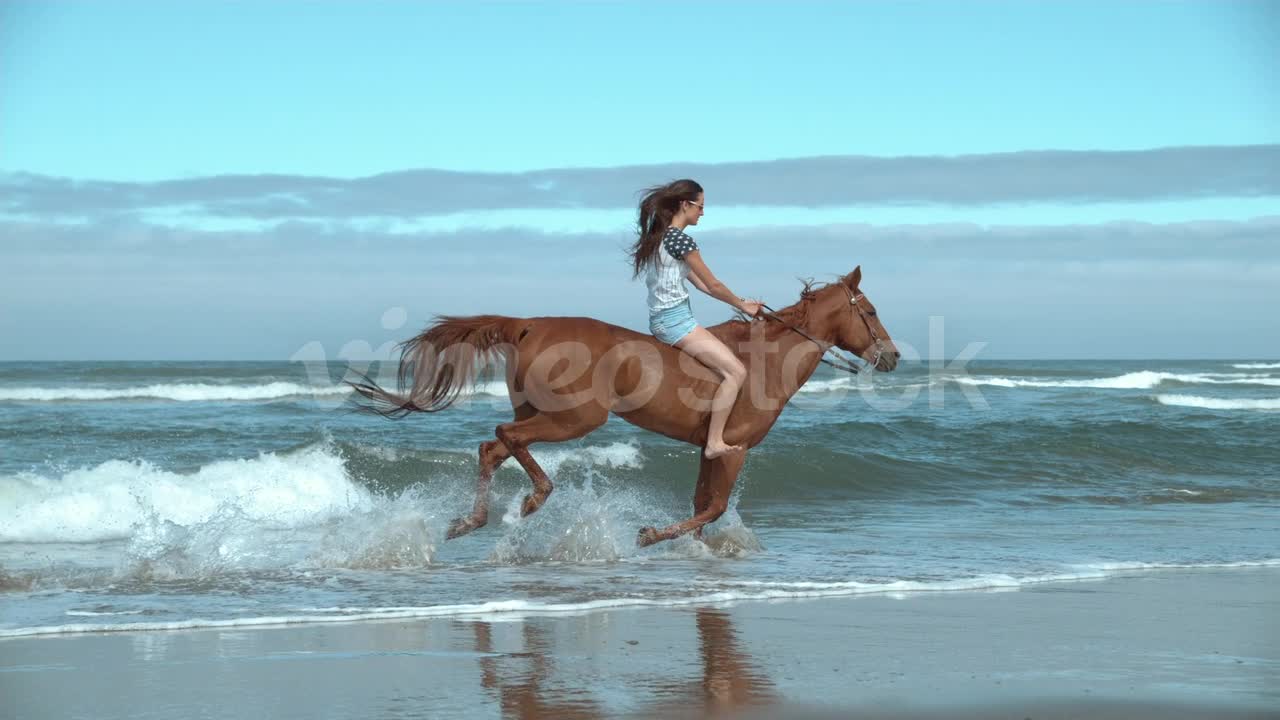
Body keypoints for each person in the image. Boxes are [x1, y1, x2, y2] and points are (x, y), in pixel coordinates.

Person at [629, 179, 762, 459]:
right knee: (736, 372)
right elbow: (713, 284)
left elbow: (701, 285)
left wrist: (741, 302)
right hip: (676, 321)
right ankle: (714, 442)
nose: (702, 213)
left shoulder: (660, 238)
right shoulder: (681, 239)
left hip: (662, 318)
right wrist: (741, 305)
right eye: (700, 207)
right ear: (684, 205)